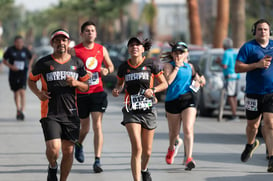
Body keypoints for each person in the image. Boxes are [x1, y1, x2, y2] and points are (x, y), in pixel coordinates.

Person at [28, 29, 89, 181]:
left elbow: (86, 86)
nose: (61, 43)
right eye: (57, 40)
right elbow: (31, 80)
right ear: (52, 43)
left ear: (68, 43)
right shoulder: (43, 63)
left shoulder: (77, 63)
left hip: (71, 113)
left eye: (64, 40)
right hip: (50, 113)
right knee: (54, 149)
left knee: (68, 152)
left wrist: (76, 83)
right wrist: (38, 93)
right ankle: (52, 166)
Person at [112, 37, 168, 181]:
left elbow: (164, 84)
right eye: (131, 45)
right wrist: (117, 90)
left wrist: (153, 90)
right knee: (137, 148)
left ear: (143, 49)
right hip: (131, 110)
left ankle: (144, 169)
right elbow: (120, 84)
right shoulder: (124, 67)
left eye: (137, 45)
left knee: (147, 152)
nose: (134, 47)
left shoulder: (151, 64)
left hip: (148, 110)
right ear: (128, 49)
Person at [70, 21, 114, 173]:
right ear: (81, 34)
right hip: (81, 93)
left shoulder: (101, 49)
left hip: (97, 92)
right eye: (87, 31)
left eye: (92, 30)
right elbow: (68, 67)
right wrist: (78, 75)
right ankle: (79, 144)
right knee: (85, 128)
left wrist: (106, 71)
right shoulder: (74, 50)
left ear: (96, 34)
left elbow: (110, 67)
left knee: (97, 125)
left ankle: (97, 160)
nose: (90, 33)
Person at [235, 18, 273, 172]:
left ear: (269, 32)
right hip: (253, 93)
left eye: (265, 29)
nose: (262, 32)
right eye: (259, 29)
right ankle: (250, 144)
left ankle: (271, 158)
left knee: (270, 124)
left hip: (271, 92)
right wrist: (257, 65)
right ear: (254, 31)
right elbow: (237, 68)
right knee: (253, 125)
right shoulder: (248, 47)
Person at [163, 41, 205, 170]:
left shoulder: (191, 67)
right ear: (172, 54)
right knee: (174, 134)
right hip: (172, 101)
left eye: (181, 53)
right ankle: (172, 147)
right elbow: (168, 81)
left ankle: (188, 158)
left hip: (188, 99)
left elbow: (202, 80)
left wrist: (199, 81)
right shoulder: (168, 66)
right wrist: (176, 67)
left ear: (186, 54)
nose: (178, 55)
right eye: (176, 52)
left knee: (188, 128)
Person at [3, 35, 33, 120]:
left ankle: (23, 110)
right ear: (15, 42)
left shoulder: (25, 50)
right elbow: (4, 61)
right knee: (16, 92)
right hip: (13, 74)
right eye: (18, 42)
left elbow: (31, 58)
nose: (20, 44)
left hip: (23, 73)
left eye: (21, 42)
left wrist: (29, 66)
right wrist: (11, 66)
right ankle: (18, 109)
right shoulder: (10, 50)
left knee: (22, 92)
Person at [216, 38, 239, 121]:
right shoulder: (235, 52)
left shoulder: (226, 53)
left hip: (229, 76)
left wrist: (219, 62)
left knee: (230, 96)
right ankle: (235, 113)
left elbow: (225, 65)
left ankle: (234, 115)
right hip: (236, 75)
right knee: (234, 96)